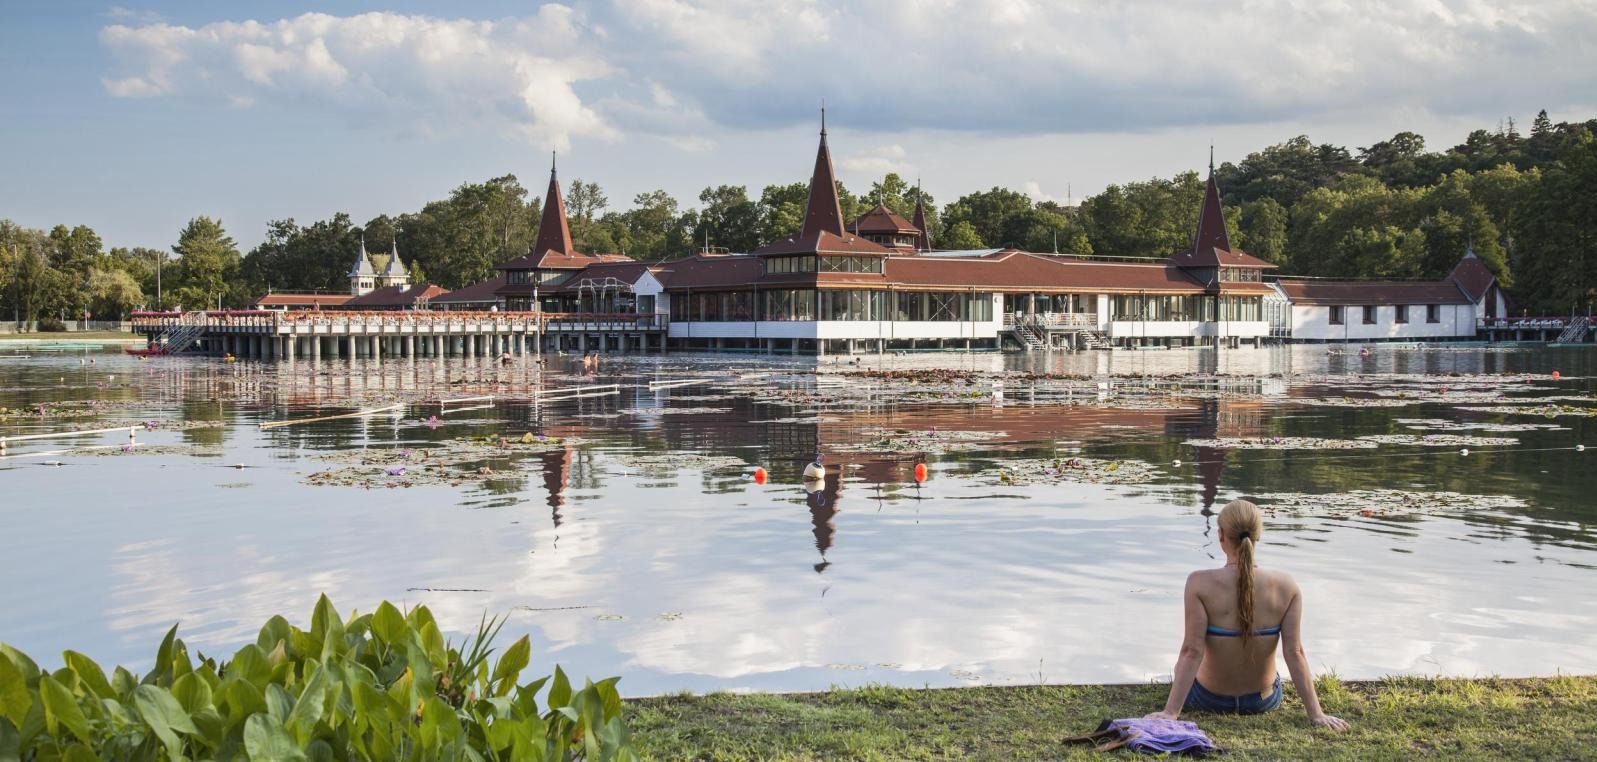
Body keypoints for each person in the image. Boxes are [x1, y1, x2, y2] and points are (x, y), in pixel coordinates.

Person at [1147, 500, 1349, 730]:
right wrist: (1316, 714)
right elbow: (1295, 652)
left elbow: (1191, 652)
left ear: (1221, 535)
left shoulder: (1199, 583)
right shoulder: (1286, 585)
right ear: (1258, 535)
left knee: (1183, 666)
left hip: (1208, 699)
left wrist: (1171, 712)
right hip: (1262, 701)